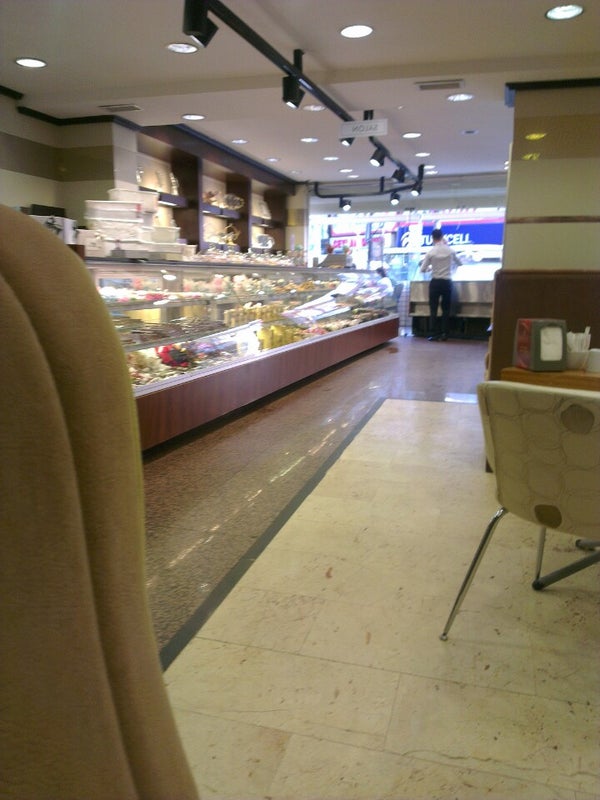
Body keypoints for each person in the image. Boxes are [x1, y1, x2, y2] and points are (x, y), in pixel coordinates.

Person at [419, 229, 462, 340]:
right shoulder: (450, 250)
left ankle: (433, 334)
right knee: (446, 309)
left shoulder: (431, 252)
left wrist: (431, 269)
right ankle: (445, 334)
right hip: (447, 282)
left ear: (432, 238)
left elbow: (422, 269)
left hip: (435, 282)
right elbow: (460, 263)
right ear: (442, 237)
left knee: (433, 309)